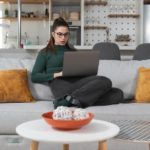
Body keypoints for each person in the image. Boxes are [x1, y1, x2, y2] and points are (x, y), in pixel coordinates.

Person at [31, 17, 124, 108]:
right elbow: (34, 76)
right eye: (60, 34)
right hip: (60, 84)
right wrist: (57, 74)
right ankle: (75, 99)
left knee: (117, 92)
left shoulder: (73, 51)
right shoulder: (45, 52)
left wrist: (87, 71)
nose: (63, 37)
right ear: (53, 34)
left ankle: (68, 101)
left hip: (79, 83)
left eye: (66, 34)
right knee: (109, 89)